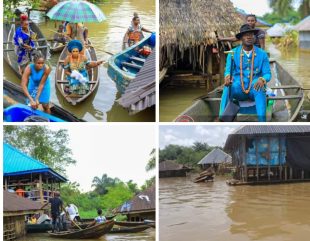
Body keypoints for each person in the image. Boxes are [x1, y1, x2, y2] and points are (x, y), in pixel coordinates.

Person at [219, 24, 271, 122]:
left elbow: (268, 74)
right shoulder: (232, 53)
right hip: (238, 87)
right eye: (245, 35)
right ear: (241, 38)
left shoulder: (262, 54)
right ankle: (222, 118)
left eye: (251, 34)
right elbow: (227, 71)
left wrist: (262, 79)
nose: (249, 36)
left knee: (260, 87)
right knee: (227, 87)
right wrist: (227, 76)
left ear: (254, 37)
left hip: (254, 88)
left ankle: (262, 123)